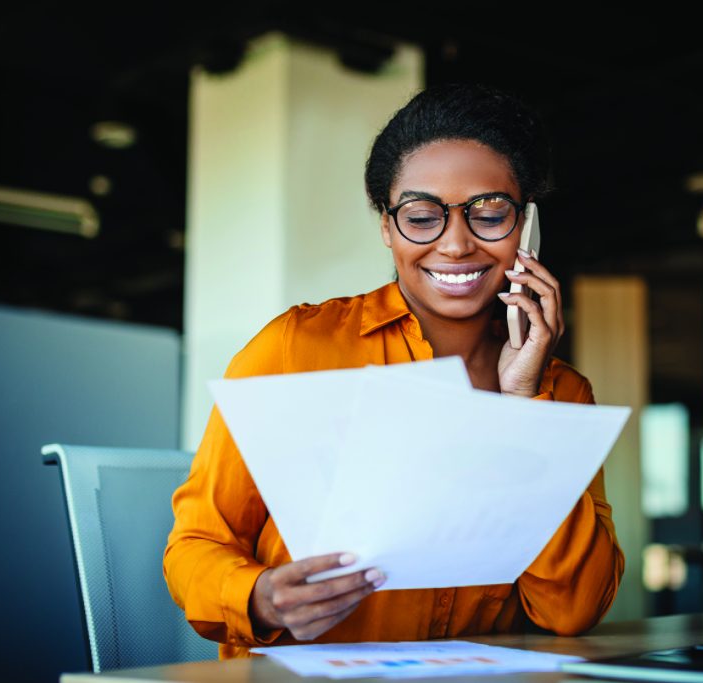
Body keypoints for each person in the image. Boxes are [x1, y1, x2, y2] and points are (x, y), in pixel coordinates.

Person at [163, 82, 624, 659]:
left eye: (489, 213)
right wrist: (259, 597)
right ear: (387, 227)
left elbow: (571, 611)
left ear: (526, 227)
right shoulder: (293, 350)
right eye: (423, 216)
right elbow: (197, 543)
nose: (456, 244)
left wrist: (521, 406)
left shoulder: (560, 393)